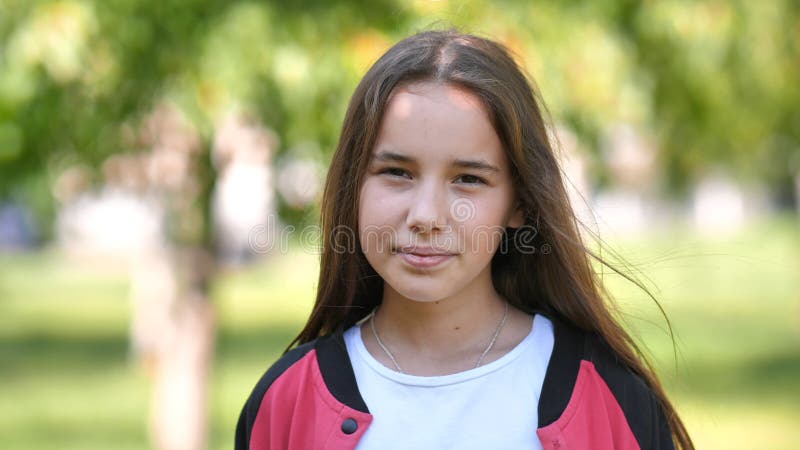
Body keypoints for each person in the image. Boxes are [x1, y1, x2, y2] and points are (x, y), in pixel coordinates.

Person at [235, 29, 694, 450]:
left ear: (519, 203)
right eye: (396, 172)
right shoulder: (286, 402)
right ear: (353, 185)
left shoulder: (610, 396)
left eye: (469, 180)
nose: (426, 216)